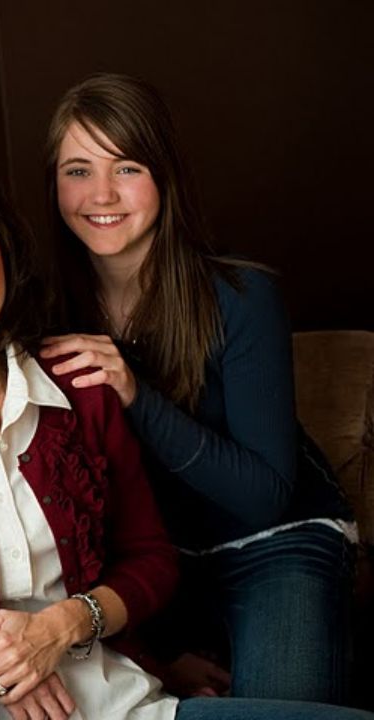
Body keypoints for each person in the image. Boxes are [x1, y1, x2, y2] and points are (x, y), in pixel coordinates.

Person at [0, 130, 373, 720]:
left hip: (124, 702)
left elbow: (149, 557)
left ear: (2, 246)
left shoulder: (78, 387)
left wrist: (65, 623)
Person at [37, 73, 356, 704]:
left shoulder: (243, 297)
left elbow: (264, 497)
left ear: (165, 176)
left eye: (126, 167)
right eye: (77, 170)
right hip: (158, 568)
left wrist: (135, 393)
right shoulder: (44, 313)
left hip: (275, 542)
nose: (101, 194)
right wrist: (148, 653)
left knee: (278, 713)